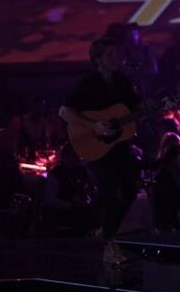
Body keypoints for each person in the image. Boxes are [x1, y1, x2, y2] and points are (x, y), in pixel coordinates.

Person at [58, 37, 143, 264]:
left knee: (131, 189)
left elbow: (134, 110)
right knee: (111, 193)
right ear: (97, 59)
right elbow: (65, 112)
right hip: (94, 146)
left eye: (118, 54)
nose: (117, 59)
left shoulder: (123, 82)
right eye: (110, 55)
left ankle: (105, 233)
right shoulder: (87, 83)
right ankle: (109, 242)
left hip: (118, 146)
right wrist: (93, 125)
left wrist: (157, 107)